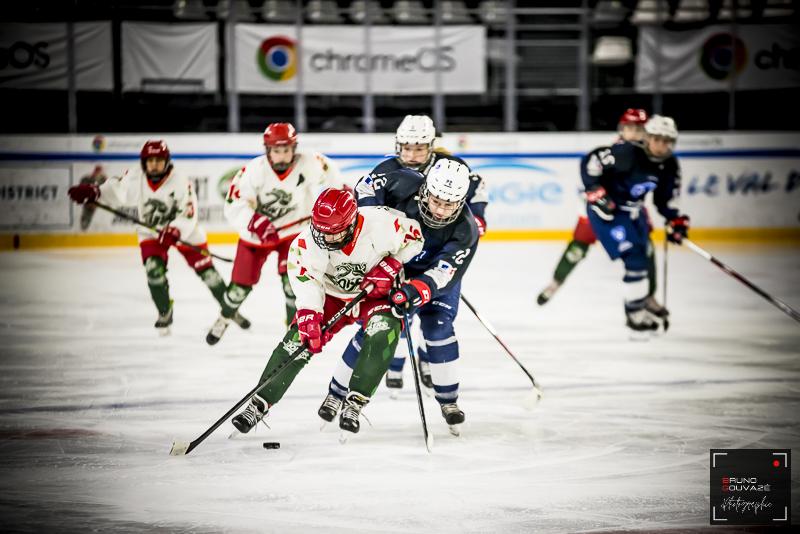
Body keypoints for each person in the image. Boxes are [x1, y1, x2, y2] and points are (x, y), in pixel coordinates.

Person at [230, 188, 425, 436]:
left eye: (333, 234)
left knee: (383, 332)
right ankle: (259, 402)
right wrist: (310, 314)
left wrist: (392, 263)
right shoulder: (305, 243)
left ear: (352, 223)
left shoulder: (382, 222)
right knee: (297, 340)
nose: (324, 239)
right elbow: (307, 282)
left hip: (374, 295)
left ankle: (355, 402)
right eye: (320, 231)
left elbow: (416, 237)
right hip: (331, 298)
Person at [318, 159, 479, 434]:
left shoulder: (466, 230)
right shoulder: (403, 182)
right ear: (425, 189)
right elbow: (366, 185)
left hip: (432, 281)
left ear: (462, 201)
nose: (440, 211)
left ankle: (448, 401)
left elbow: (443, 274)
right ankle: (336, 393)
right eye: (436, 200)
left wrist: (413, 291)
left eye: (449, 205)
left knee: (438, 330)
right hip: (391, 270)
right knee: (376, 329)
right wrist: (373, 222)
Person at [67, 140, 244, 335]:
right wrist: (95, 192)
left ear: (167, 161)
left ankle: (229, 309)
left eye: (159, 160)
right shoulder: (136, 177)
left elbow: (188, 214)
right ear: (144, 162)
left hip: (185, 232)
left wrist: (175, 230)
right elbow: (117, 190)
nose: (154, 165)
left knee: (208, 273)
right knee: (153, 270)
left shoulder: (180, 181)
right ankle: (164, 310)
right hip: (151, 231)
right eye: (150, 160)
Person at [372, 114, 488, 393]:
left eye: (420, 148)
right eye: (407, 147)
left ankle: (426, 359)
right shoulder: (390, 170)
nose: (412, 155)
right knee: (400, 311)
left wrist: (479, 217)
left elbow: (477, 187)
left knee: (436, 316)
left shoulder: (452, 166)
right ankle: (396, 362)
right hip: (404, 252)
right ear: (398, 144)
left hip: (440, 251)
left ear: (432, 145)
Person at [206, 122, 343, 345]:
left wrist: (339, 193)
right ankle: (224, 318)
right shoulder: (254, 170)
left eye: (286, 150)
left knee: (293, 285)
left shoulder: (310, 162)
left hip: (292, 233)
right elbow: (233, 203)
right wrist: (255, 222)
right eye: (276, 151)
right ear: (268, 150)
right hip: (256, 238)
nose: (282, 156)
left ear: (294, 148)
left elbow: (332, 175)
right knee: (238, 290)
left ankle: (293, 333)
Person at [537, 109, 661, 308]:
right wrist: (596, 194)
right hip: (599, 210)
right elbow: (591, 174)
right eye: (630, 128)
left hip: (630, 212)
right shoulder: (615, 152)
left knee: (646, 249)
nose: (635, 133)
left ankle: (648, 296)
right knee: (577, 248)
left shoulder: (651, 156)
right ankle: (556, 282)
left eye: (639, 129)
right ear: (622, 129)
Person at [581, 115, 689, 333]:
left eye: (667, 141)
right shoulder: (627, 153)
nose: (662, 145)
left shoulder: (669, 164)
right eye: (657, 139)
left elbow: (664, 197)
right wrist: (594, 189)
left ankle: (644, 299)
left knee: (646, 255)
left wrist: (674, 219)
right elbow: (591, 161)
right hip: (608, 212)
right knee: (634, 257)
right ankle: (634, 313)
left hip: (634, 213)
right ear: (648, 137)